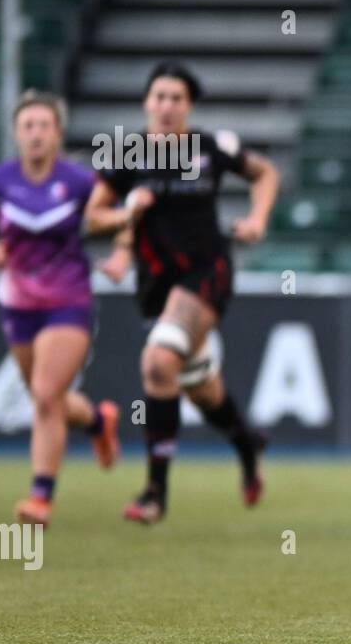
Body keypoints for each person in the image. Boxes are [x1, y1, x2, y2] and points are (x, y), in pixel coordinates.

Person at [84, 62, 278, 524]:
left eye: (177, 98)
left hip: (206, 273)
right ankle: (247, 443)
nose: (167, 105)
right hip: (155, 285)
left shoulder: (210, 147)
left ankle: (155, 493)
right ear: (146, 102)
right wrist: (125, 213)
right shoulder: (126, 153)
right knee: (199, 387)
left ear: (189, 106)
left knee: (157, 362)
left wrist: (257, 221)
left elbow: (265, 173)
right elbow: (93, 217)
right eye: (159, 96)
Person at [0, 91, 119, 525]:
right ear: (16, 133)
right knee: (51, 400)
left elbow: (117, 218)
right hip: (19, 305)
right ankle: (98, 420)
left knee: (45, 395)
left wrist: (122, 254)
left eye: (44, 125)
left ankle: (40, 498)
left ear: (58, 133)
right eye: (28, 126)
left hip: (69, 301)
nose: (36, 133)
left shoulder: (80, 182)